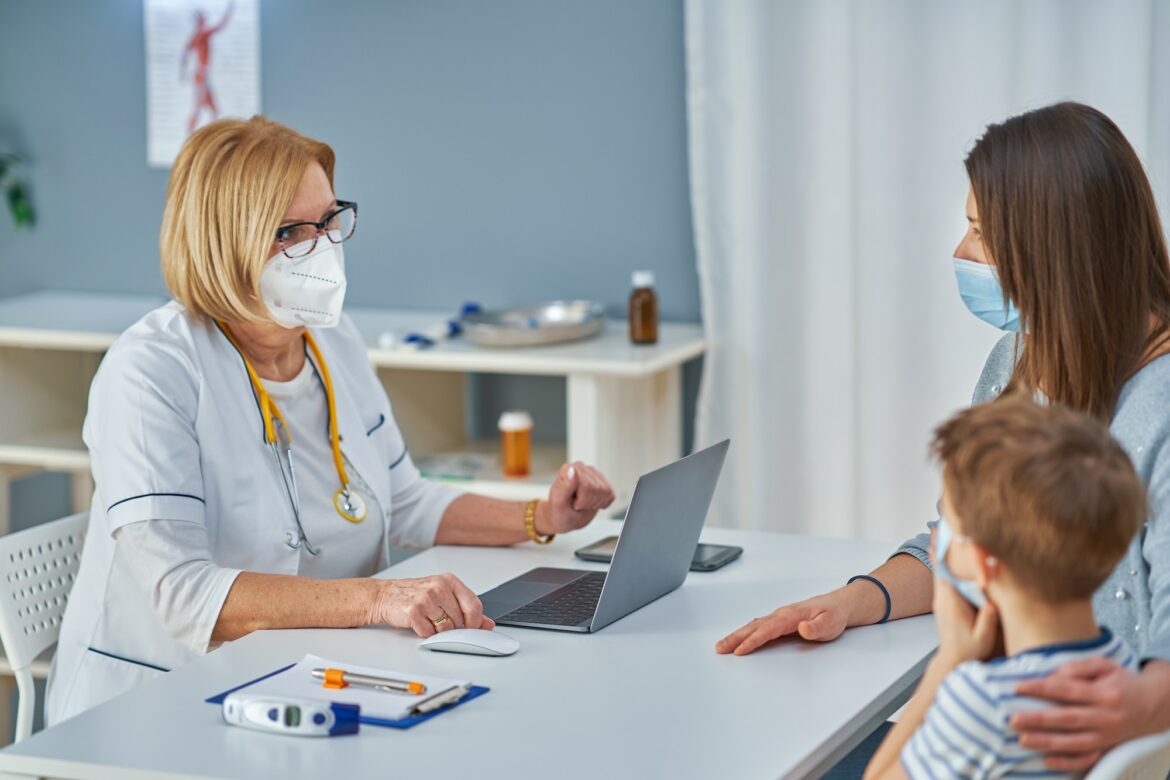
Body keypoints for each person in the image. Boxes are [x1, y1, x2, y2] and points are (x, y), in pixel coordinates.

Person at [45, 117, 616, 724]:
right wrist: (378, 600)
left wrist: (542, 517)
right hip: (155, 709)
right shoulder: (150, 370)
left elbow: (407, 500)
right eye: (290, 231)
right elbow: (188, 597)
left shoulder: (332, 341)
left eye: (327, 221)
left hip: (304, 676)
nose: (320, 247)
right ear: (221, 242)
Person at [718, 101, 1170, 770]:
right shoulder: (1022, 360)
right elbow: (964, 543)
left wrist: (1136, 711)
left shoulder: (1158, 416)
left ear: (1056, 247)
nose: (961, 254)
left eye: (982, 233)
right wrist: (852, 602)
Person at [864, 396, 1144, 779]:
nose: (935, 538)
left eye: (947, 525)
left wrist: (948, 661)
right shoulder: (1124, 672)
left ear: (981, 561)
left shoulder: (987, 703)